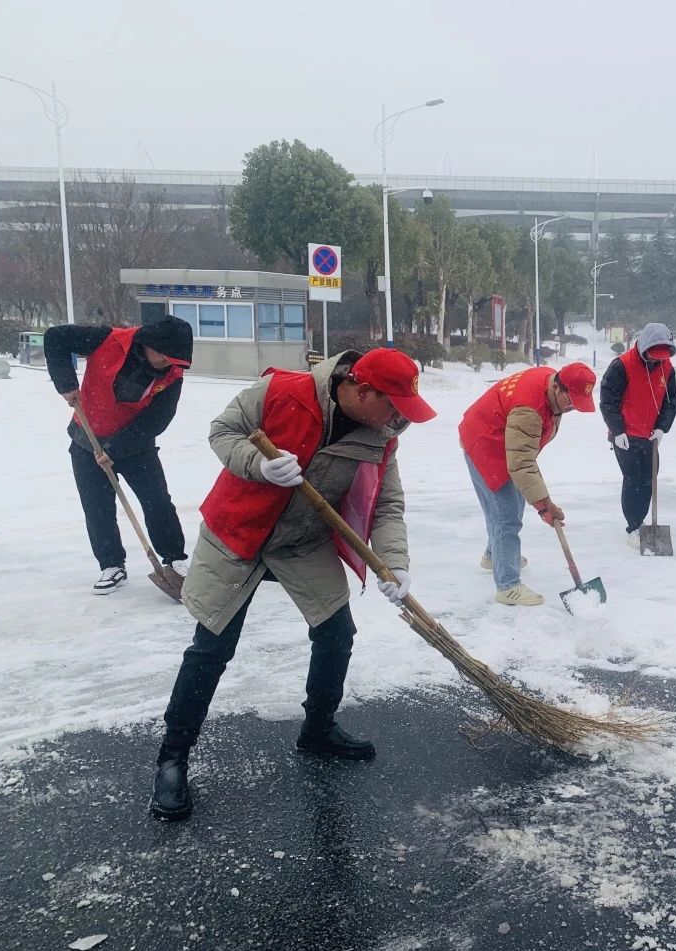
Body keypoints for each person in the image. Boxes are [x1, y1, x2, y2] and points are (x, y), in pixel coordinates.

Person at [149, 348, 435, 821]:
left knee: (336, 632)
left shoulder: (382, 435)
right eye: (394, 404)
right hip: (239, 533)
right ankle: (172, 757)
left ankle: (318, 728)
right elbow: (223, 431)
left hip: (302, 539)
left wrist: (395, 562)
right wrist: (256, 465)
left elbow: (385, 503)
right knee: (212, 645)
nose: (400, 417)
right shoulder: (281, 391)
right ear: (362, 390)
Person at [44, 316, 194, 594]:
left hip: (136, 445)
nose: (166, 362)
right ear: (148, 344)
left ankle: (174, 559)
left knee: (157, 501)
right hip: (87, 437)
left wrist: (115, 449)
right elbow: (55, 338)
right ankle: (111, 564)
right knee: (97, 506)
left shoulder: (172, 374)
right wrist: (66, 383)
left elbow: (157, 421)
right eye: (162, 355)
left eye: (172, 358)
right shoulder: (107, 340)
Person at [458, 361, 597, 605]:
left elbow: (524, 457)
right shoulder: (529, 409)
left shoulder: (550, 386)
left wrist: (540, 500)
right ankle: (507, 585)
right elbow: (521, 463)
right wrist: (545, 506)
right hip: (485, 444)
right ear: (557, 388)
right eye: (571, 401)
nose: (573, 407)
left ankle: (495, 555)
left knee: (509, 506)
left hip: (501, 441)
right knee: (506, 515)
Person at [599, 323, 676, 545]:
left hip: (650, 435)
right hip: (625, 436)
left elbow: (671, 402)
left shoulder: (667, 368)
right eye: (652, 357)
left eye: (659, 358)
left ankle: (642, 520)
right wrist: (617, 430)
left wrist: (663, 427)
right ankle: (634, 525)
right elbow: (608, 401)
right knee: (633, 479)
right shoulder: (622, 365)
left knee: (648, 479)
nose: (655, 361)